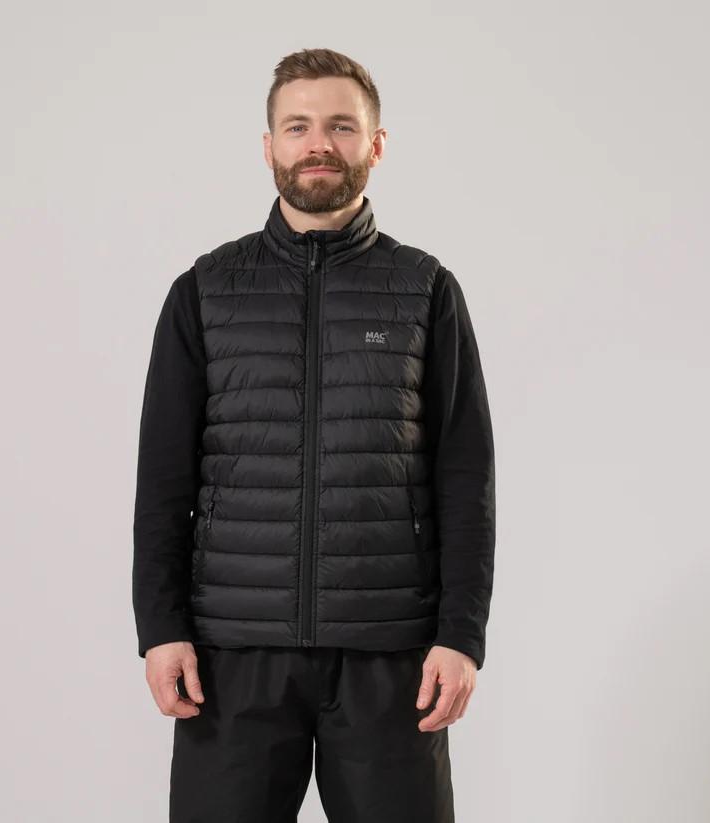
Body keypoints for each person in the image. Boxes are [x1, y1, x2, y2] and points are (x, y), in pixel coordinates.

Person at [132, 47, 496, 823]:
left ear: (376, 144)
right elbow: (162, 480)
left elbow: (465, 478)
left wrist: (461, 635)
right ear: (268, 146)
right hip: (232, 657)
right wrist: (160, 628)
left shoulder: (424, 290)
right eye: (297, 126)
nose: (318, 143)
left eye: (340, 125)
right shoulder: (204, 291)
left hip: (389, 656)